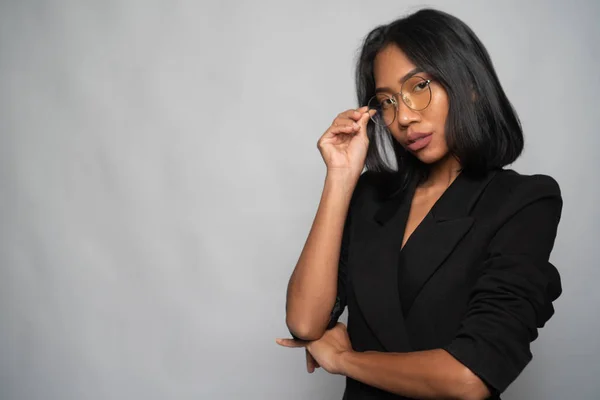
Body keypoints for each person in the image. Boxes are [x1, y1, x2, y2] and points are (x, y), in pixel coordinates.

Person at [276, 8, 562, 400]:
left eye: (420, 86)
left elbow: (470, 377)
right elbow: (305, 323)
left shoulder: (523, 201)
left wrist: (345, 360)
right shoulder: (371, 196)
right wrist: (340, 178)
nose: (405, 117)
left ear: (469, 84)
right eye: (388, 101)